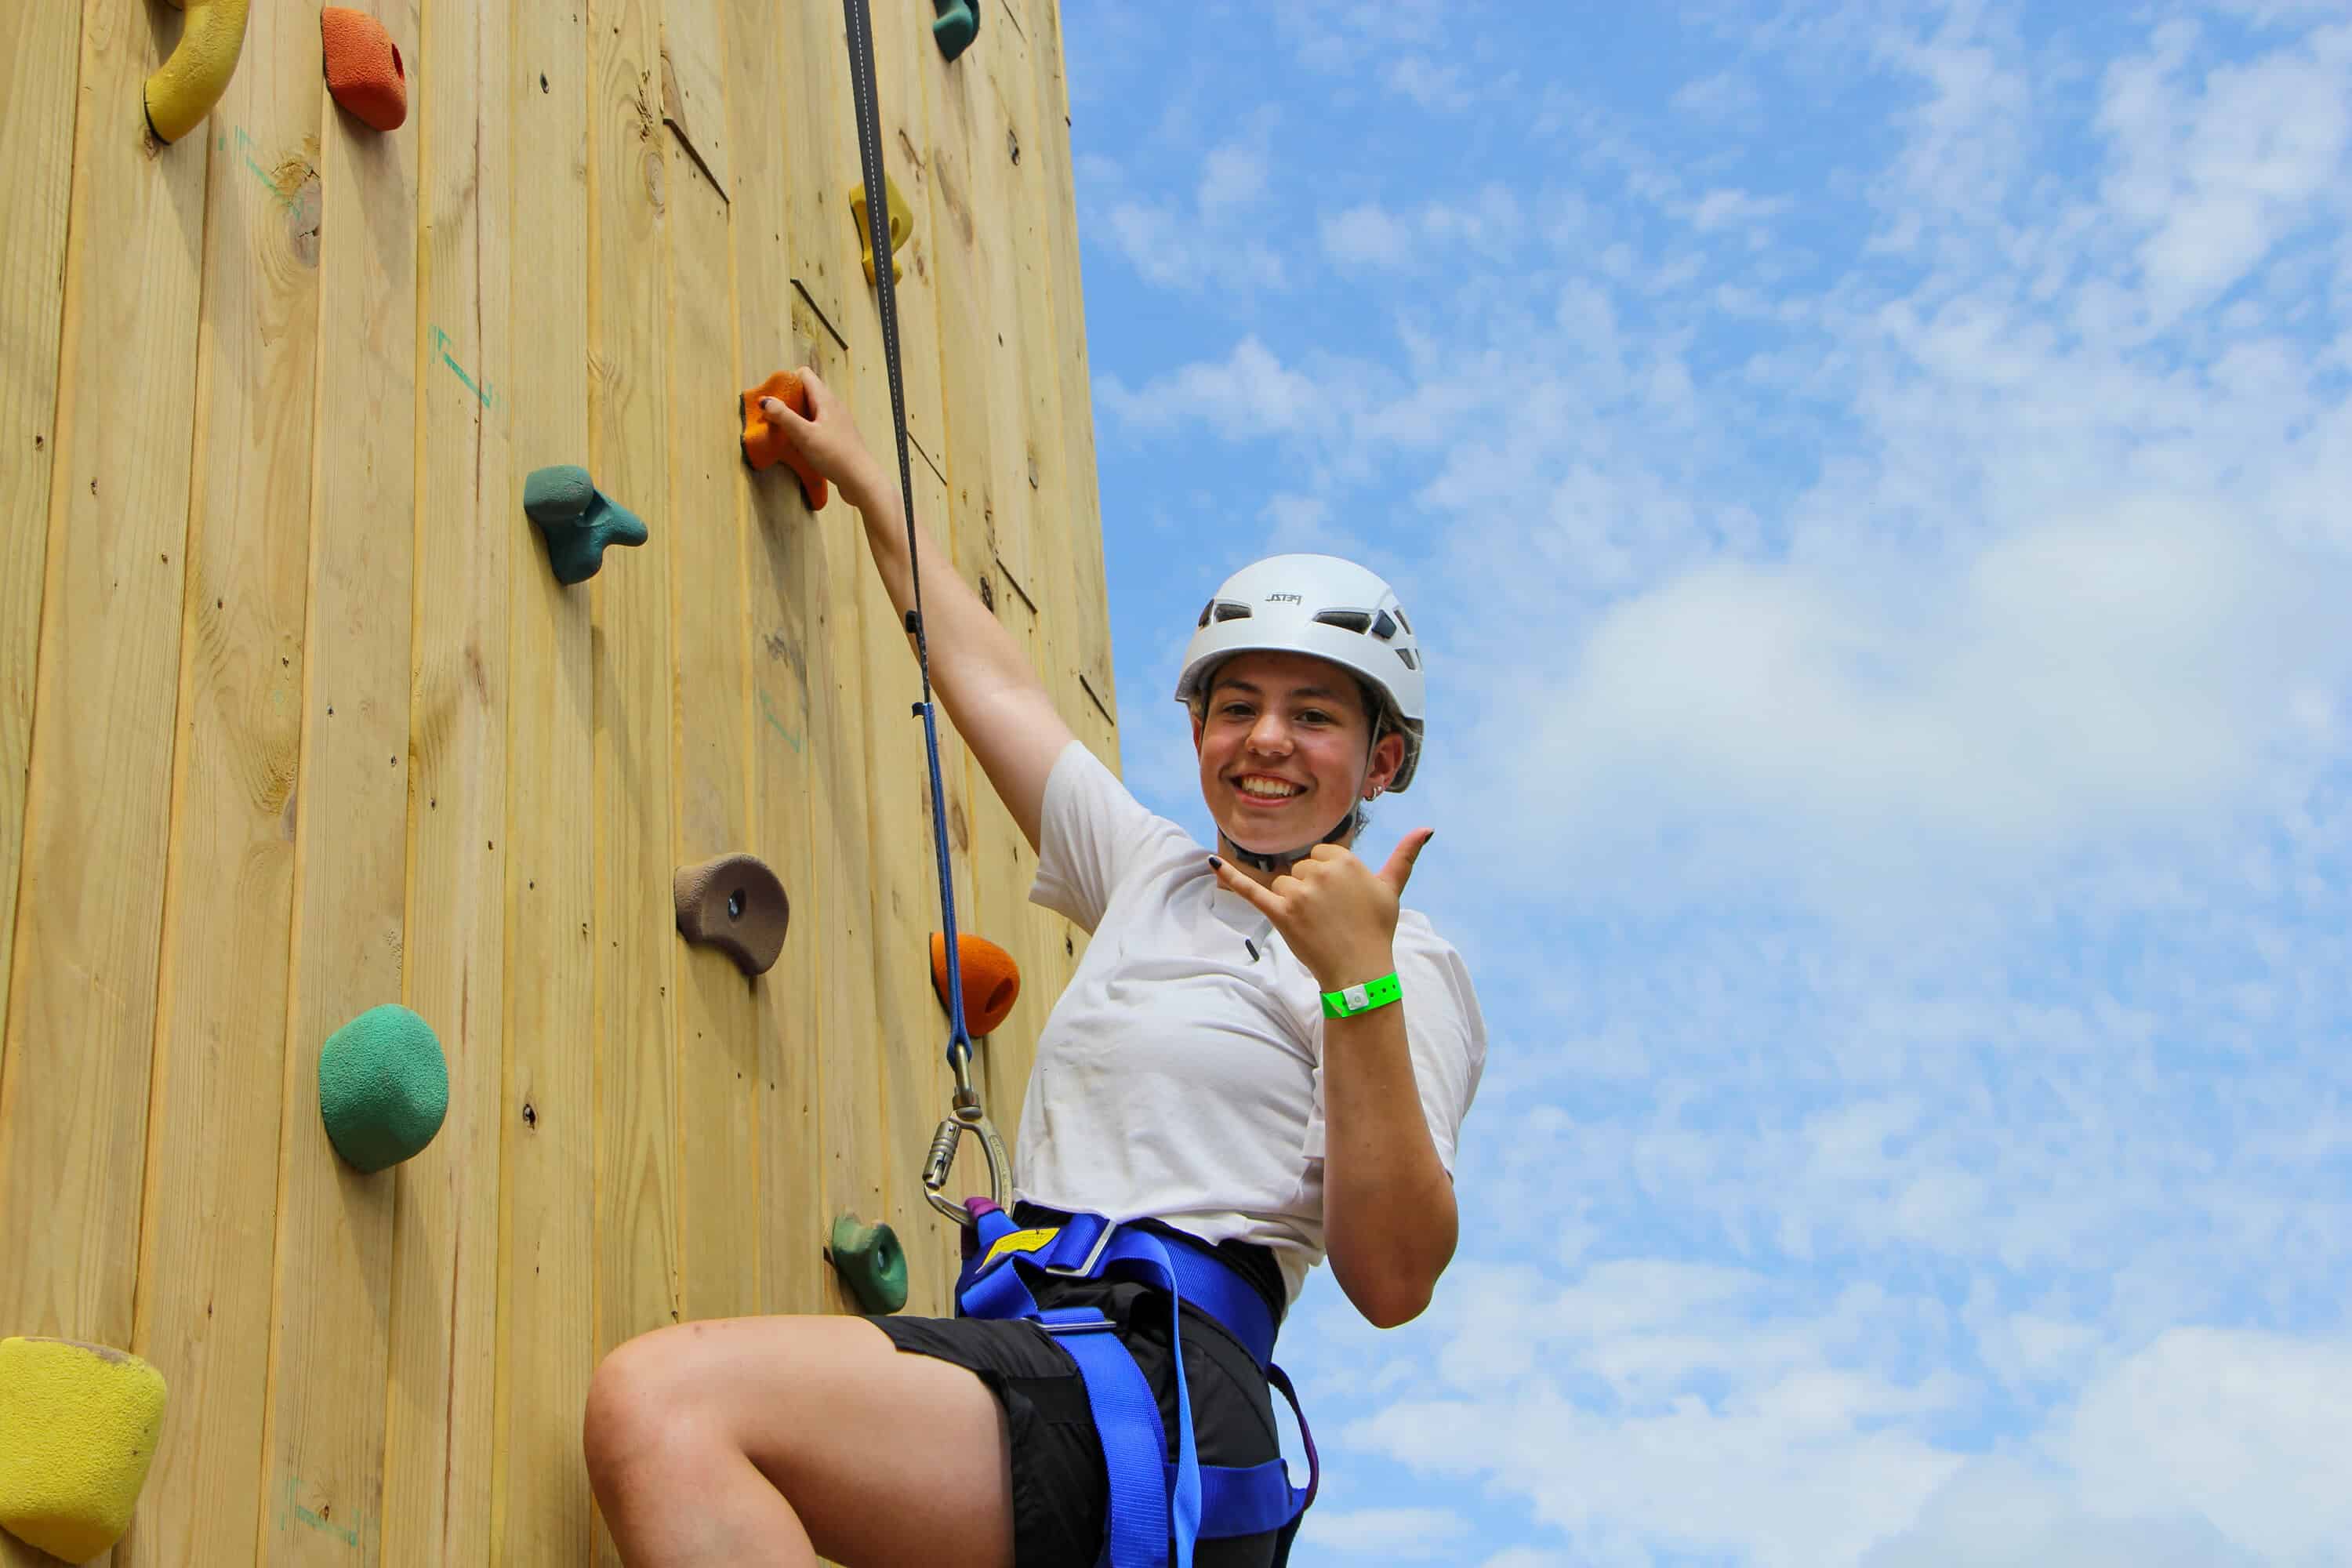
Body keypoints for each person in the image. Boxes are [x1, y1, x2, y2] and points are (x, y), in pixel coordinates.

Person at [581, 370, 1486, 1567]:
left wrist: (1354, 981)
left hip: (1162, 1400)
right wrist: (864, 480)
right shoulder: (1150, 877)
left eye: (1315, 715)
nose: (1266, 739)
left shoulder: (1404, 962)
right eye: (1236, 706)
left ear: (1383, 765)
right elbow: (993, 684)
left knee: (669, 1405)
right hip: (1052, 1353)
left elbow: (1394, 1278)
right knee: (670, 1413)